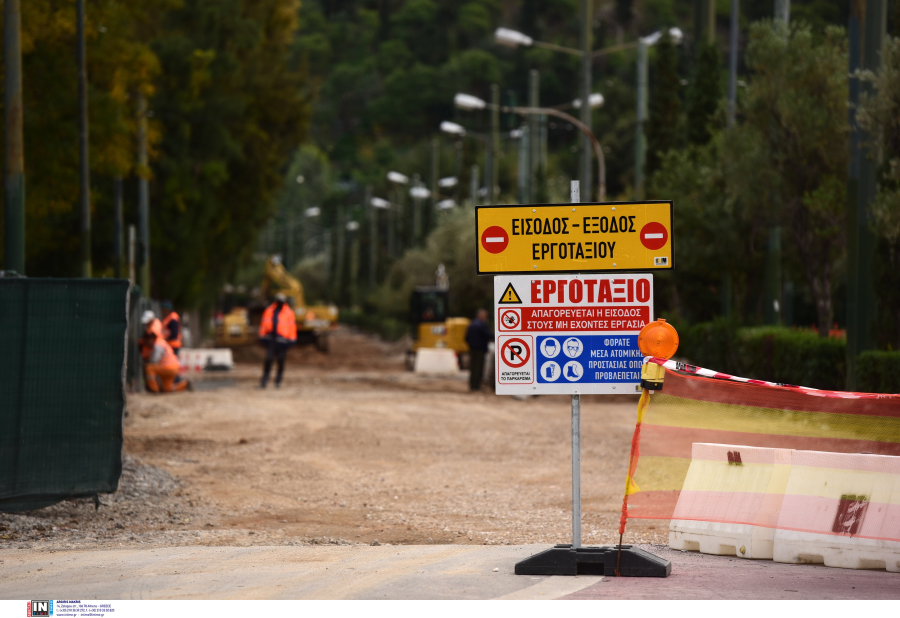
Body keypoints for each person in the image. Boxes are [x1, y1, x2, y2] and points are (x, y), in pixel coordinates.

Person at [259, 293, 297, 388]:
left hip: (283, 340)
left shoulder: (288, 312)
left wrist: (292, 340)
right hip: (271, 338)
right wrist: (262, 336)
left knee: (281, 361)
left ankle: (278, 381)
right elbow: (264, 323)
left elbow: (292, 327)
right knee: (268, 359)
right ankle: (264, 381)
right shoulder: (269, 310)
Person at [143, 319, 190, 393]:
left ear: (152, 338)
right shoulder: (161, 342)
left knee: (149, 367)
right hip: (174, 367)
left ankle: (154, 390)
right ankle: (185, 385)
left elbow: (155, 360)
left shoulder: (158, 344)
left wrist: (147, 362)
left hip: (168, 368)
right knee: (167, 389)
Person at [465, 308, 493, 392]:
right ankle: (476, 386)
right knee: (478, 368)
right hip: (479, 349)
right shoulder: (480, 325)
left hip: (473, 349)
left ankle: (473, 385)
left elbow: (466, 337)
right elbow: (488, 334)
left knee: (473, 368)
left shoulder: (472, 324)